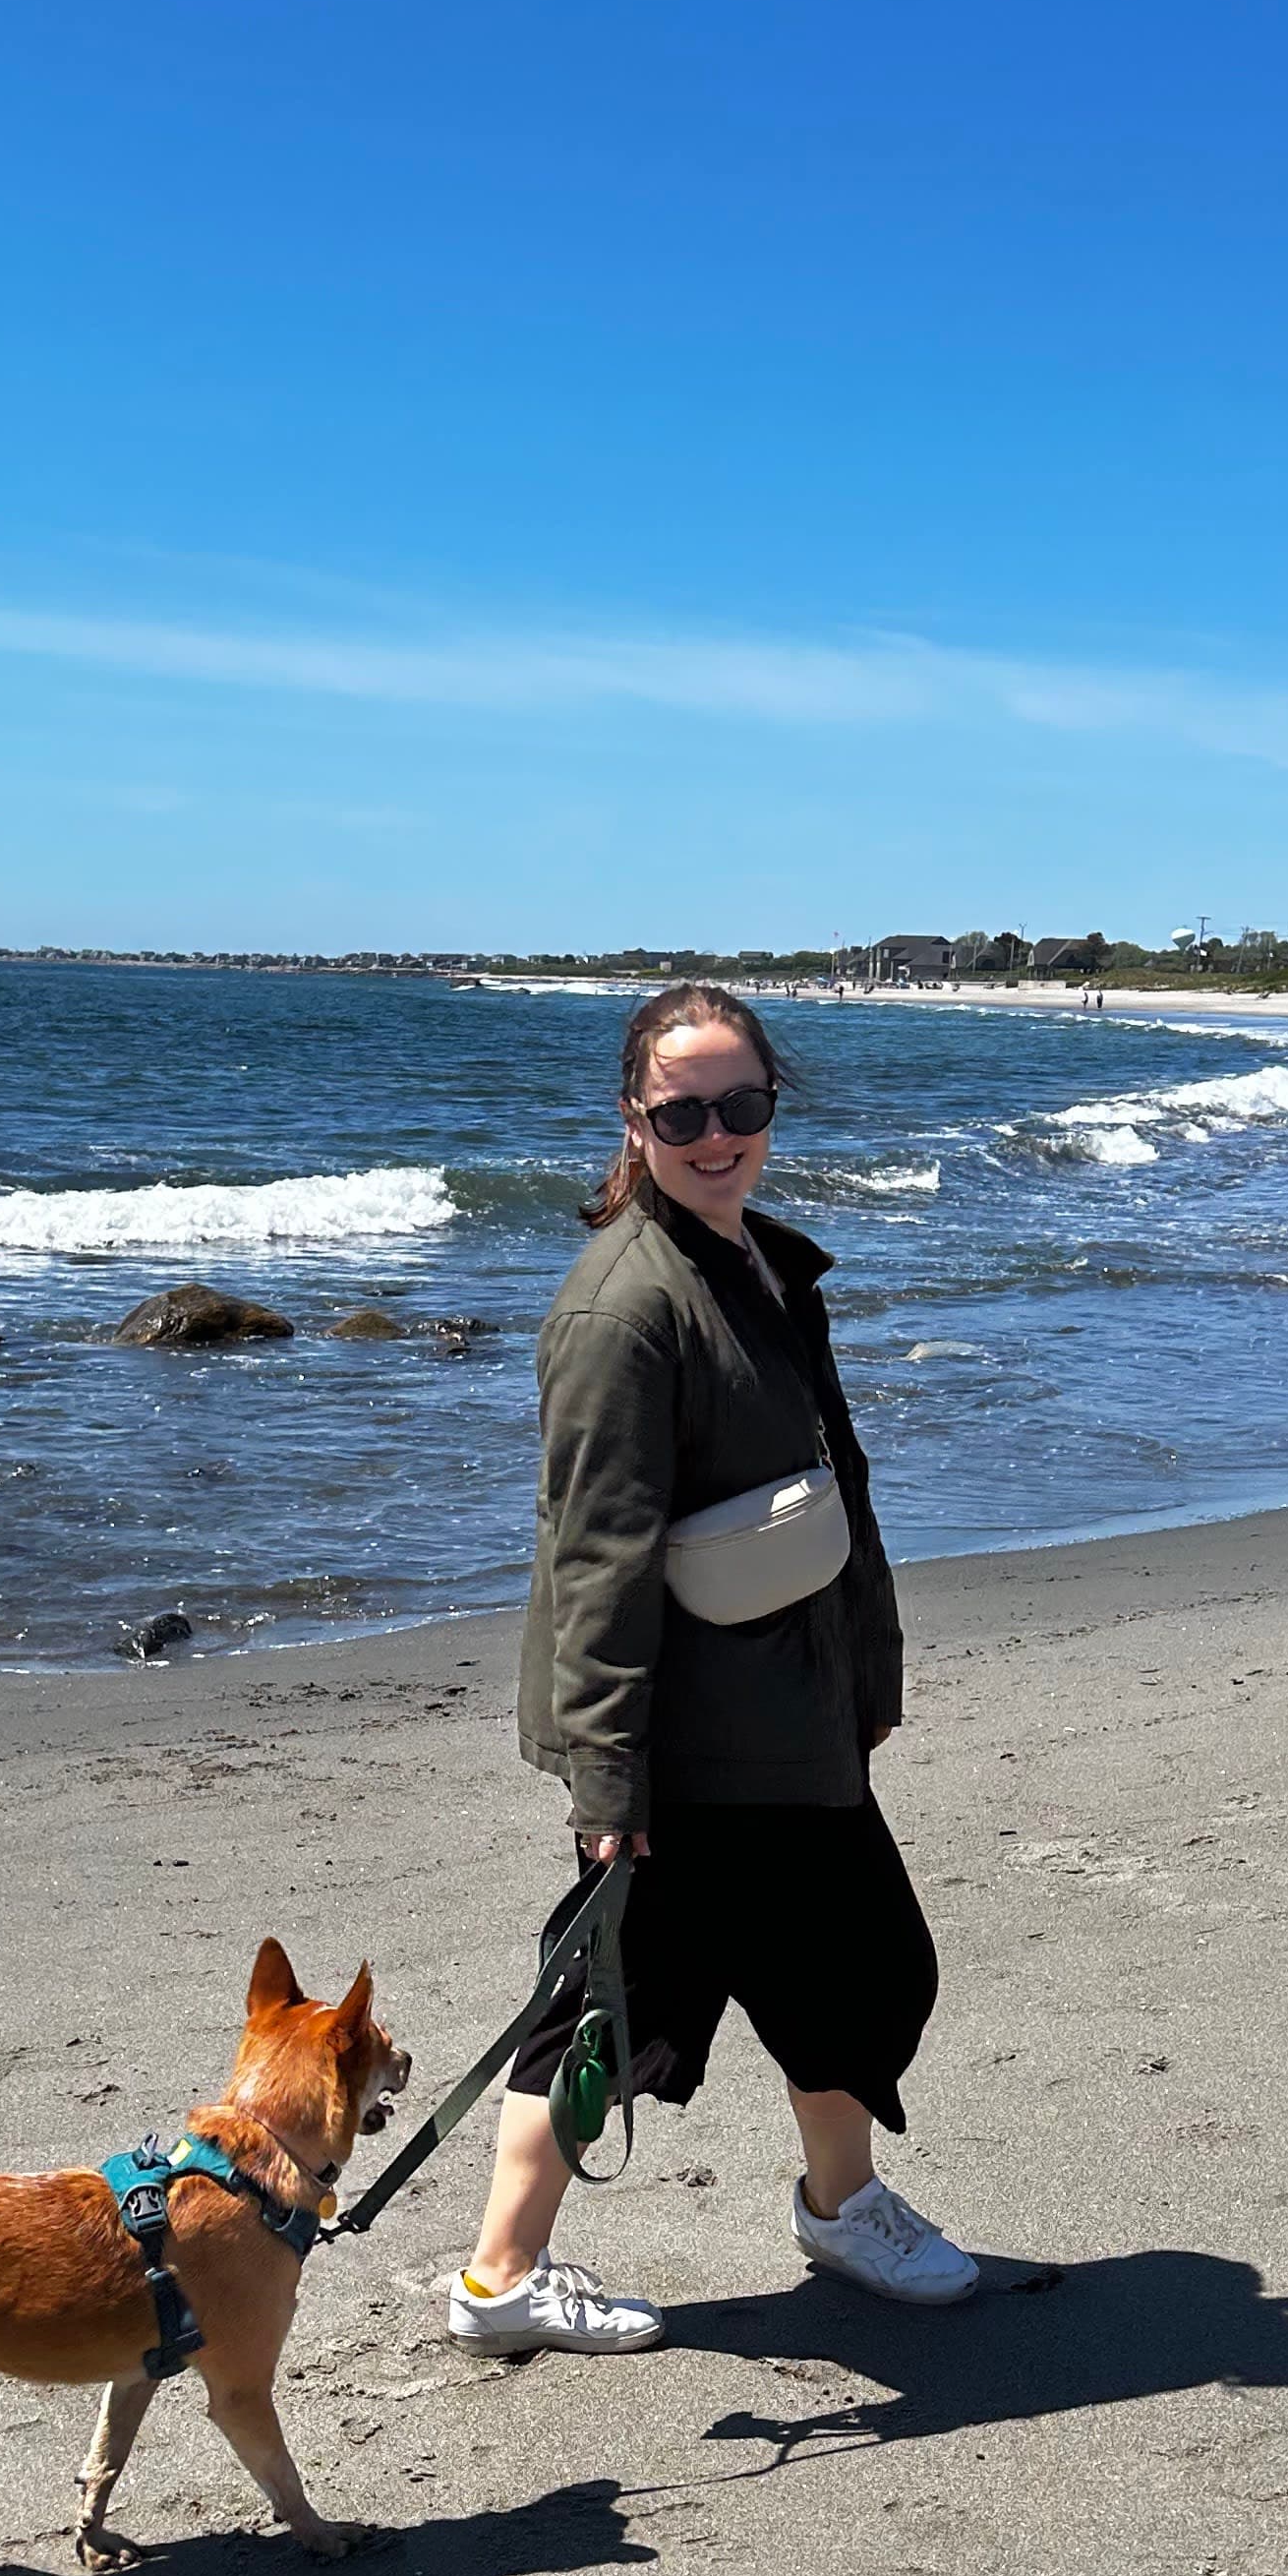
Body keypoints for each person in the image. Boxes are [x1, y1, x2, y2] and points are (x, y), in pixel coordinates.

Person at [450, 983, 974, 2355]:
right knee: (610, 2005)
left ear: (770, 1109)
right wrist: (610, 1777)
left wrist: (861, 1685)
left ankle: (838, 2205)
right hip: (690, 1756)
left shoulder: (757, 1265)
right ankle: (502, 2277)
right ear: (635, 1118)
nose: (715, 1132)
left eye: (740, 1104)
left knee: (854, 1977)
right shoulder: (625, 1311)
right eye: (683, 1111)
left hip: (789, 1725)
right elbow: (595, 1564)